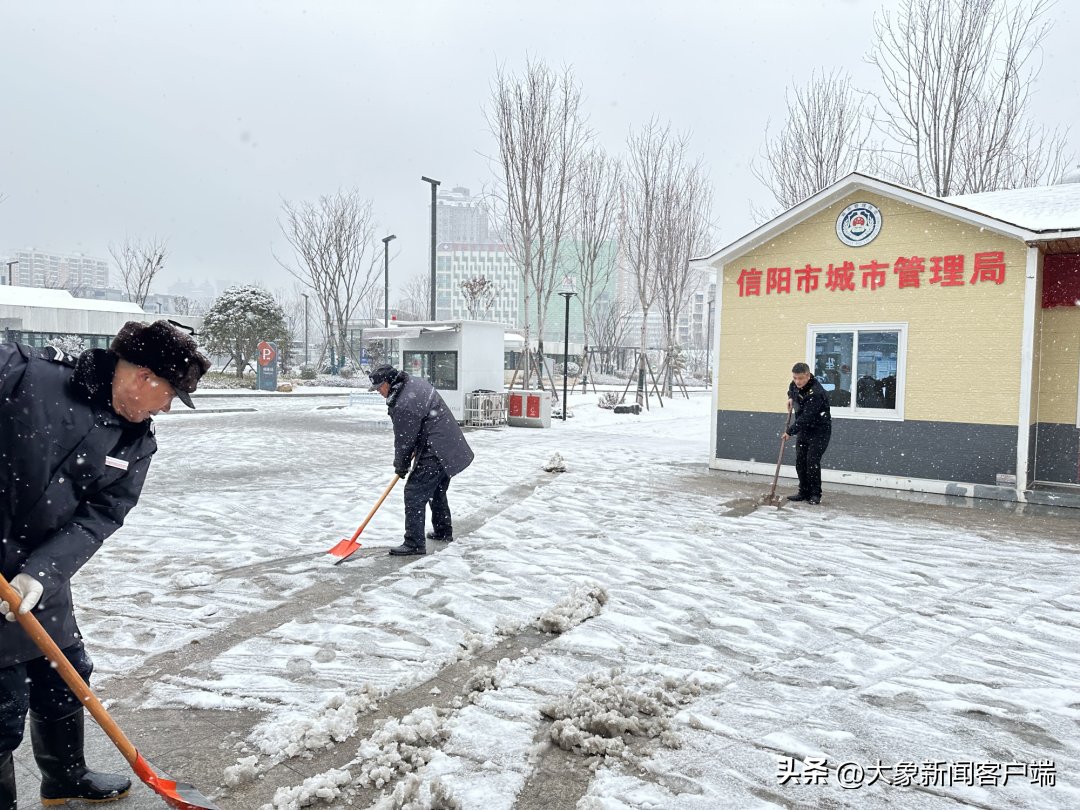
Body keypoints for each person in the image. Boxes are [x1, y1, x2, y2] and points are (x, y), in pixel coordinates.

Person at [0, 320, 210, 809]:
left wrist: (42, 573)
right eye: (169, 393)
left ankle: (65, 778)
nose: (167, 407)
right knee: (1, 708)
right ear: (141, 375)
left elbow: (102, 514)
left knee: (64, 673)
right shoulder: (27, 377)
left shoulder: (135, 442)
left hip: (38, 575)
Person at [369, 365, 474, 556]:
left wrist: (400, 465)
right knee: (436, 489)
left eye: (378, 388)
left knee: (414, 492)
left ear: (388, 383)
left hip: (437, 448)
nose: (378, 392)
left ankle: (414, 543)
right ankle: (443, 530)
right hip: (448, 443)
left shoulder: (403, 403)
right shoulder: (411, 383)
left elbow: (404, 440)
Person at [781, 361, 832, 505]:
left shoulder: (816, 392)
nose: (797, 381)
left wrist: (789, 431)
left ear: (808, 376)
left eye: (800, 378)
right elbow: (791, 387)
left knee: (812, 462)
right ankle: (803, 492)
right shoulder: (796, 384)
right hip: (804, 430)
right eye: (795, 378)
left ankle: (815, 494)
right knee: (800, 462)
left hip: (819, 431)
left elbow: (806, 417)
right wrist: (791, 397)